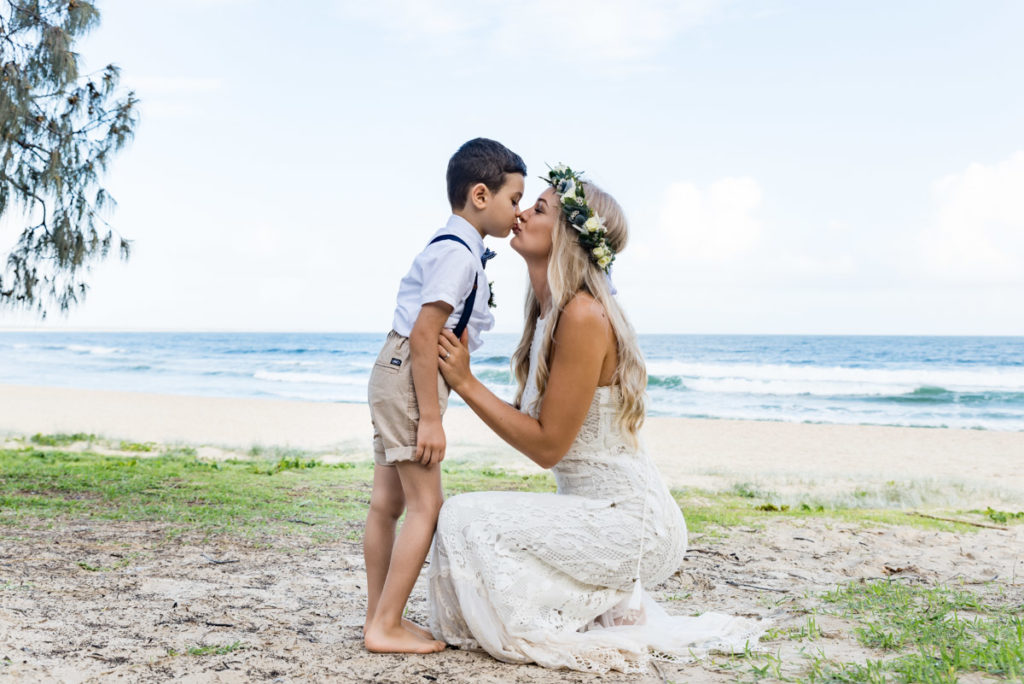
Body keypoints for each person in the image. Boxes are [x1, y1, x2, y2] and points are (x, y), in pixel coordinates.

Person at [429, 165, 763, 672]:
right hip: (590, 511)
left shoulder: (583, 315)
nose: (520, 213)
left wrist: (466, 382)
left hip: (633, 524)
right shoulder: (549, 313)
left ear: (567, 234)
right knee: (469, 524)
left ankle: (599, 604)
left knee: (463, 517)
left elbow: (547, 448)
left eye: (538, 209)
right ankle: (606, 605)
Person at [362, 138, 525, 654]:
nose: (518, 211)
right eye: (514, 199)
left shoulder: (452, 247)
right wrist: (430, 419)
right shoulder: (457, 256)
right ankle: (384, 624)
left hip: (395, 373)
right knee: (426, 506)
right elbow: (425, 332)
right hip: (413, 376)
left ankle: (381, 618)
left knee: (388, 502)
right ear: (481, 195)